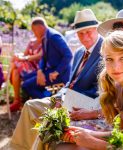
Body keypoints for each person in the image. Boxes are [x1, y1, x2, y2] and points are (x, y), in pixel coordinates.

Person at [9, 9, 104, 150]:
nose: (84, 37)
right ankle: (18, 148)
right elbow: (69, 82)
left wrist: (74, 102)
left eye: (88, 32)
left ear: (97, 29)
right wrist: (59, 97)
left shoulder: (105, 51)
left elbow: (100, 90)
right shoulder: (79, 52)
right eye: (80, 33)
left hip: (83, 104)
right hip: (65, 97)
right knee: (29, 106)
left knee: (48, 119)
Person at [57, 30, 123, 150]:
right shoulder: (118, 87)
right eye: (109, 59)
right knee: (64, 146)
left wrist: (92, 142)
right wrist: (84, 133)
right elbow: (122, 135)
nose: (116, 67)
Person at [21, 17, 73, 99]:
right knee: (24, 77)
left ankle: (47, 105)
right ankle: (46, 97)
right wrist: (40, 71)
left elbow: (68, 55)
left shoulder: (54, 36)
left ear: (41, 27)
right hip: (49, 71)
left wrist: (57, 72)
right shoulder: (45, 37)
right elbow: (43, 57)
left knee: (27, 85)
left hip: (59, 75)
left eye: (34, 30)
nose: (34, 33)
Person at [10, 38, 43, 111]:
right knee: (15, 70)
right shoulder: (31, 42)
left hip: (39, 70)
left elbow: (39, 56)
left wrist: (24, 58)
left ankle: (17, 100)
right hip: (28, 68)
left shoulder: (45, 43)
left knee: (16, 65)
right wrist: (21, 57)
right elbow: (25, 54)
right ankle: (17, 101)